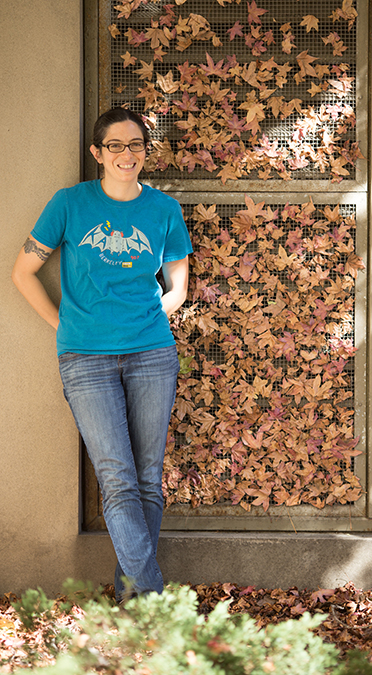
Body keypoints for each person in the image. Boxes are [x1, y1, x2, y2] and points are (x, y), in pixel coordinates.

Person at [12, 107, 193, 602]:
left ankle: (134, 598)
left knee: (148, 480)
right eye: (115, 145)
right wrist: (64, 325)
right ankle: (152, 602)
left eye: (136, 144)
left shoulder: (163, 210)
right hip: (85, 358)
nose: (127, 154)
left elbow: (176, 286)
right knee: (117, 480)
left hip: (152, 353)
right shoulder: (70, 204)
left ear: (144, 151)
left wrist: (153, 314)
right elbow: (22, 272)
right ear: (97, 153)